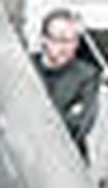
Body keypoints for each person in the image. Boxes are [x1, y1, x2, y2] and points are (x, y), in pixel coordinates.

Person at [34, 8, 101, 157]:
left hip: (66, 161)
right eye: (60, 40)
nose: (66, 48)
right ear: (43, 39)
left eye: (72, 40)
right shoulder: (27, 66)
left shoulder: (86, 76)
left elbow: (80, 126)